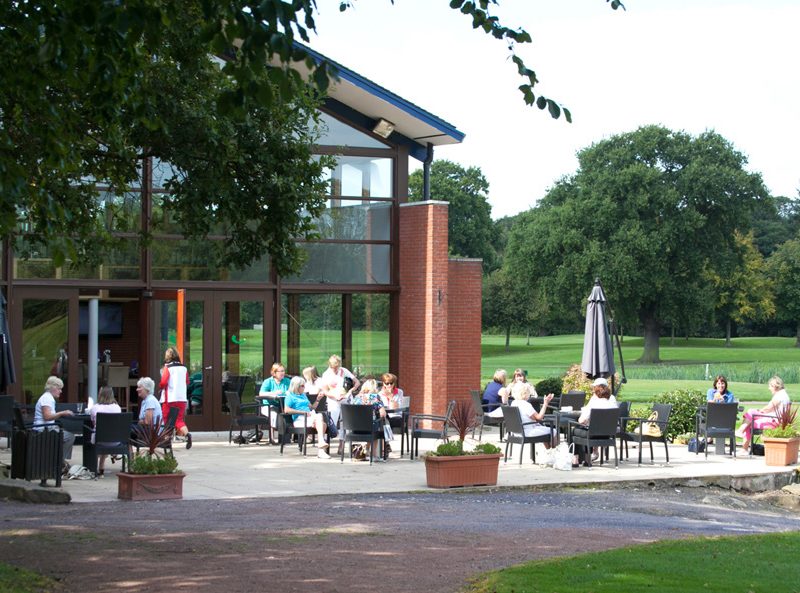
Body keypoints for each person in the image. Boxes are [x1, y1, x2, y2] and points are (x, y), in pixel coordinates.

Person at [33, 376, 75, 475]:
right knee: (70, 437)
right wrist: (62, 413)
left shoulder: (47, 397)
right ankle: (60, 462)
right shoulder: (47, 399)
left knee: (66, 435)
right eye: (59, 388)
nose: (61, 391)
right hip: (43, 431)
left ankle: (60, 461)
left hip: (44, 428)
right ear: (53, 388)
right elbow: (47, 417)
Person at [736, 376, 791, 452]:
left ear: (775, 386)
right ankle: (740, 432)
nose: (769, 388)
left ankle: (743, 446)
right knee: (750, 416)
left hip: (774, 421)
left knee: (749, 419)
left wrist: (759, 411)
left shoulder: (779, 396)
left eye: (770, 386)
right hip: (777, 420)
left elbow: (768, 409)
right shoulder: (784, 394)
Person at [572, 378, 618, 466]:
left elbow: (581, 420)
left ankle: (576, 459)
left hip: (593, 433)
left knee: (575, 429)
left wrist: (583, 419)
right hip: (608, 434)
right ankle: (587, 459)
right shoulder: (612, 399)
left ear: (596, 389)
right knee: (585, 429)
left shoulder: (594, 400)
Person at [283, 376, 330, 459]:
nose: (304, 387)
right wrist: (303, 412)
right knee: (322, 421)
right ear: (296, 386)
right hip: (300, 419)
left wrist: (318, 399)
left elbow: (312, 408)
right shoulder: (290, 396)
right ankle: (321, 447)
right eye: (302, 386)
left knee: (321, 422)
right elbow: (286, 410)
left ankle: (321, 448)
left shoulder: (303, 395)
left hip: (309, 417)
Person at [158, 347, 192, 449]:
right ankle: (187, 434)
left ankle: (167, 440)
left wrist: (160, 387)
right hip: (182, 398)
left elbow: (163, 382)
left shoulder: (168, 368)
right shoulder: (184, 368)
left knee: (166, 419)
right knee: (179, 419)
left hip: (170, 398)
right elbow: (187, 381)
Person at [89, 386, 121, 476]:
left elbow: (93, 423)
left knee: (101, 434)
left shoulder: (95, 408)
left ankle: (95, 468)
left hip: (99, 440)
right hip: (115, 441)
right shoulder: (117, 408)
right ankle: (101, 467)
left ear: (100, 395)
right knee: (107, 433)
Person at [322, 354, 360, 428]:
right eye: (333, 368)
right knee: (333, 421)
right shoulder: (326, 374)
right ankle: (333, 434)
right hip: (333, 400)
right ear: (330, 366)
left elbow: (357, 382)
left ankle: (345, 435)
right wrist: (334, 396)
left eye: (337, 367)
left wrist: (350, 392)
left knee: (348, 422)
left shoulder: (343, 370)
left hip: (346, 398)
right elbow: (325, 391)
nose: (336, 369)